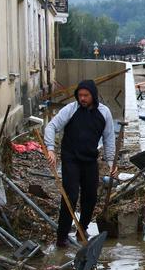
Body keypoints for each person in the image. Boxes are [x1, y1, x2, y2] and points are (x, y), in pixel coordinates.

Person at [44, 80, 117, 248]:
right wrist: (50, 149)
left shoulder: (104, 113)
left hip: (90, 160)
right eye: (80, 95)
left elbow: (109, 139)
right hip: (71, 159)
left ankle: (81, 230)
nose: (82, 98)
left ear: (93, 95)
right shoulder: (71, 109)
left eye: (86, 95)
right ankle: (61, 237)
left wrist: (112, 162)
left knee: (90, 197)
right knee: (70, 196)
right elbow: (51, 127)